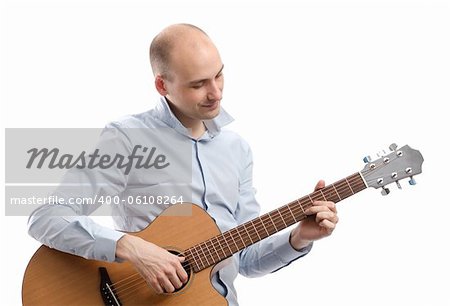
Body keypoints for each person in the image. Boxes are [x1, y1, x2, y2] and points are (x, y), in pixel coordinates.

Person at [28, 23, 338, 305]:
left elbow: (245, 260)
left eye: (219, 75)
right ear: (162, 86)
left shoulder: (237, 150)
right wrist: (133, 249)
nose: (215, 93)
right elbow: (47, 217)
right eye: (198, 84)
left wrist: (298, 238)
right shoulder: (126, 138)